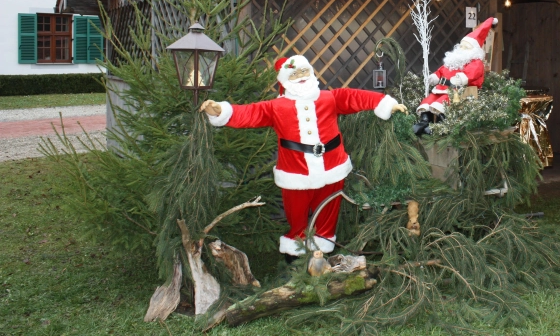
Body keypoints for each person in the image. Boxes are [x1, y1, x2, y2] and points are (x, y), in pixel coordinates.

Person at [200, 55, 407, 258]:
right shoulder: (276, 107)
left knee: (328, 211)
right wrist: (220, 110)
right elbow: (248, 113)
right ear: (285, 80)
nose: (300, 76)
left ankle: (324, 247)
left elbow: (356, 97)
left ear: (311, 72)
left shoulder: (329, 97)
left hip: (332, 166)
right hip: (295, 171)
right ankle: (296, 251)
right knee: (296, 214)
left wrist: (387, 104)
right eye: (294, 73)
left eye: (304, 71)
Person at [413, 17, 497, 135]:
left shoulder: (475, 62)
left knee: (442, 102)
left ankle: (441, 125)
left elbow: (473, 73)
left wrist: (461, 78)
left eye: (466, 47)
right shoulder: (453, 62)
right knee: (429, 100)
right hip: (442, 89)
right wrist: (435, 76)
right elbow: (442, 70)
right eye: (461, 46)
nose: (461, 49)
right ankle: (425, 121)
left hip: (458, 91)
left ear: (474, 51)